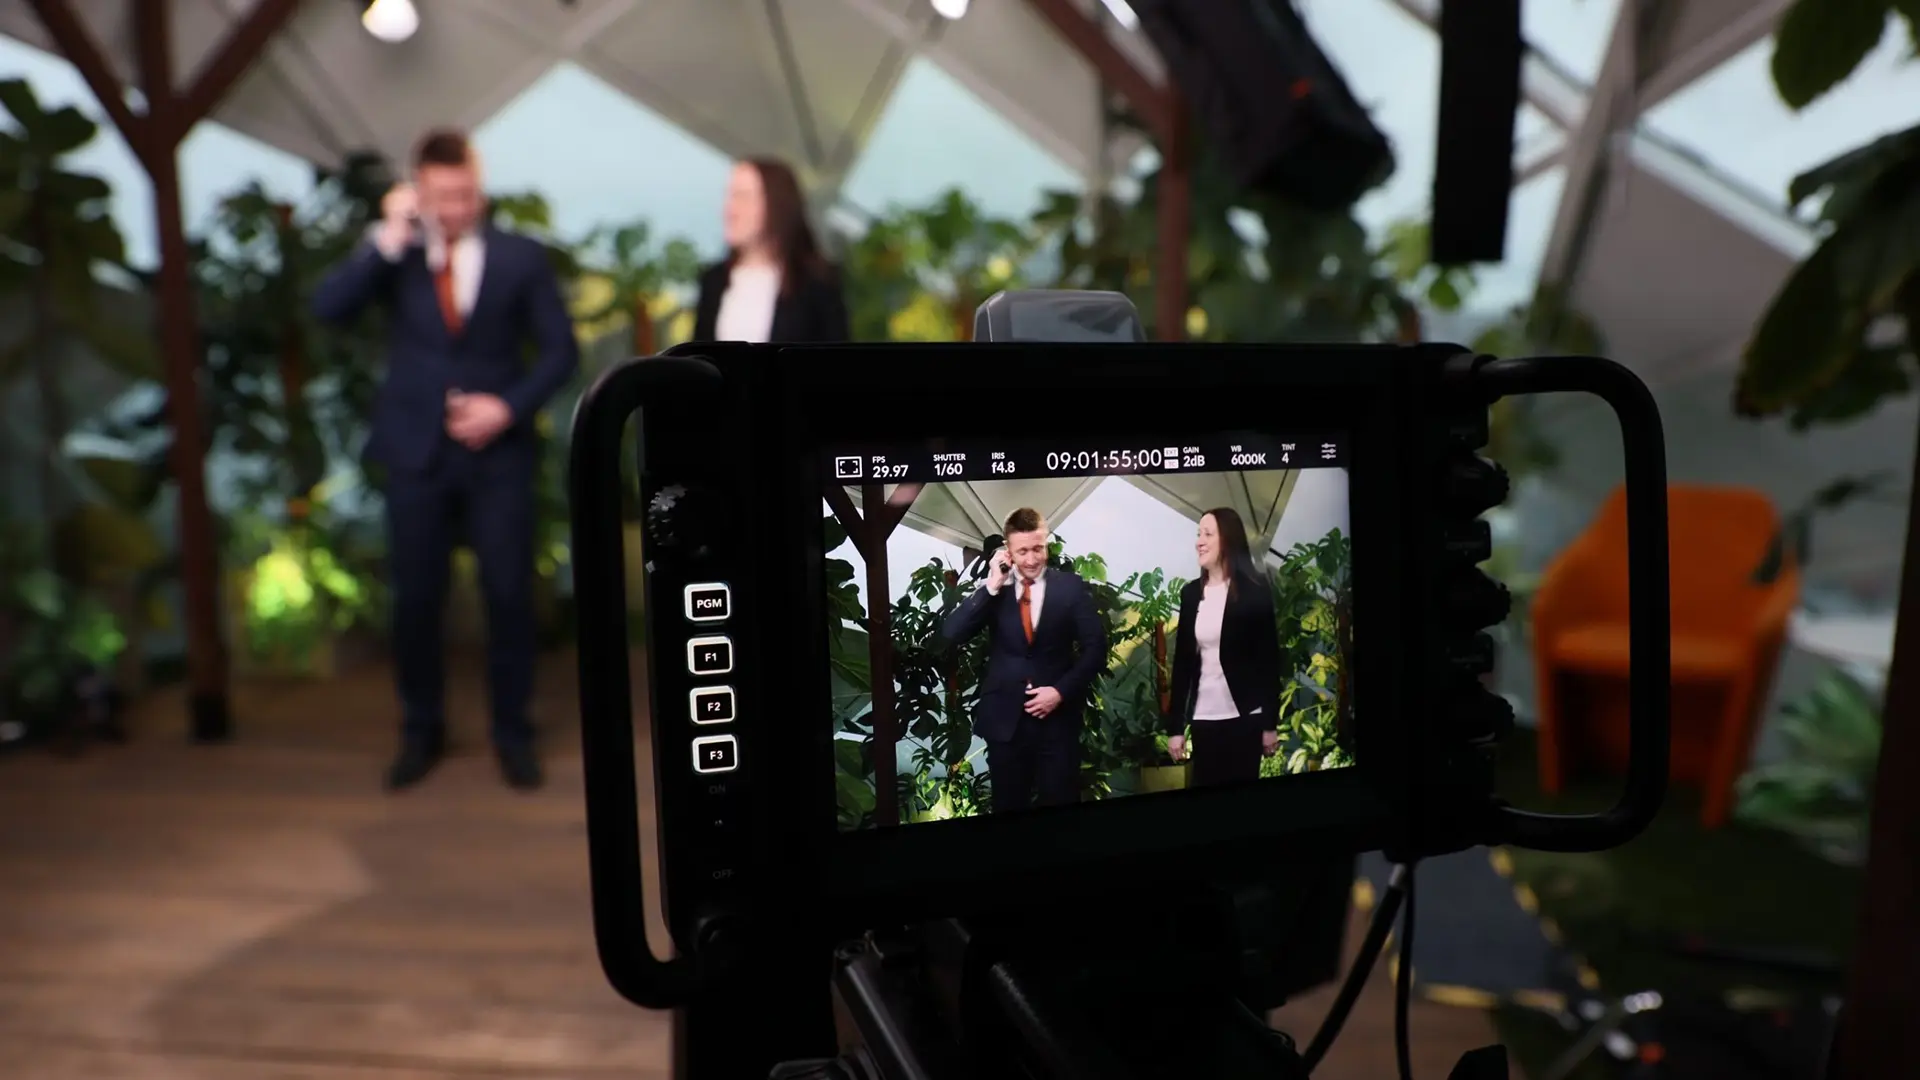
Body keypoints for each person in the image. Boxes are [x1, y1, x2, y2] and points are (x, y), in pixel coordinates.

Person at [312, 128, 579, 793]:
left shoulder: (521, 258)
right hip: (416, 456)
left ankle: (512, 734)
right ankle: (420, 730)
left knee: (510, 595)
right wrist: (387, 237)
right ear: (419, 191)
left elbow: (558, 353)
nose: (456, 209)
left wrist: (506, 408)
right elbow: (329, 309)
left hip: (499, 458)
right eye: (441, 197)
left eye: (465, 195)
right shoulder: (395, 256)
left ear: (479, 189)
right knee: (417, 599)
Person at [941, 508, 1107, 813]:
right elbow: (951, 633)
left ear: (1046, 544)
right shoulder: (995, 589)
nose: (1031, 559)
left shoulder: (1070, 587)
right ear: (1008, 550)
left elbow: (1096, 649)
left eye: (1037, 549)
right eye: (1022, 551)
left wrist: (1059, 692)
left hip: (1057, 725)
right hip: (1005, 725)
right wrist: (991, 584)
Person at [1164, 508, 1283, 786]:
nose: (1199, 541)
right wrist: (1175, 728)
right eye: (1198, 534)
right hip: (1205, 718)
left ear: (1227, 540)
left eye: (1208, 534)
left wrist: (1269, 725)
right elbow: (1182, 663)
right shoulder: (1191, 594)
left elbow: (1269, 661)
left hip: (1246, 719)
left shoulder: (1255, 590)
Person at [691, 157, 850, 343]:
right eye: (730, 196)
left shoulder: (817, 283)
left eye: (742, 196)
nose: (730, 209)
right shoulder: (713, 281)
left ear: (777, 203)